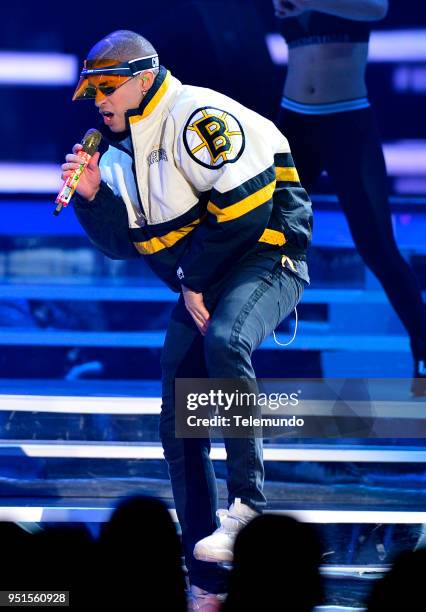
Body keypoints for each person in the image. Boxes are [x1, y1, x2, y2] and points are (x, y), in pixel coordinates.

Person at [62, 30, 312, 609]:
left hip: (264, 254)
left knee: (226, 340)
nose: (98, 101)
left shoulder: (196, 115)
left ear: (142, 78)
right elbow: (127, 244)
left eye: (107, 87)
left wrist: (195, 282)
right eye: (92, 90)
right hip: (206, 270)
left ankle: (249, 507)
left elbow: (248, 210)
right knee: (179, 410)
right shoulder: (125, 149)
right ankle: (204, 566)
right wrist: (94, 194)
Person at [272, 0, 426, 396]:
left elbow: (377, 9)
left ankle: (423, 351)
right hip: (294, 118)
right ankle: (257, 355)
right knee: (266, 237)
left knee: (377, 245)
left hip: (347, 118)